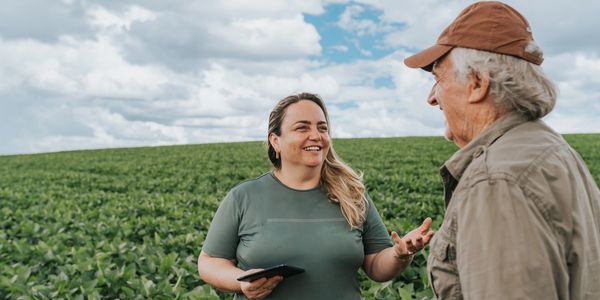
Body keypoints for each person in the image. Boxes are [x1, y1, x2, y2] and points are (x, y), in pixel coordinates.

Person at [404, 1, 600, 299]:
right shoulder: (552, 149)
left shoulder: (496, 180)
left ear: (477, 83)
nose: (432, 98)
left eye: (438, 78)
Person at [197, 92, 434, 299]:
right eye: (302, 127)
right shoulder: (243, 197)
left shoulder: (352, 196)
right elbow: (210, 262)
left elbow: (376, 266)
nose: (316, 135)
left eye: (322, 128)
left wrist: (399, 254)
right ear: (275, 141)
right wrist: (240, 280)